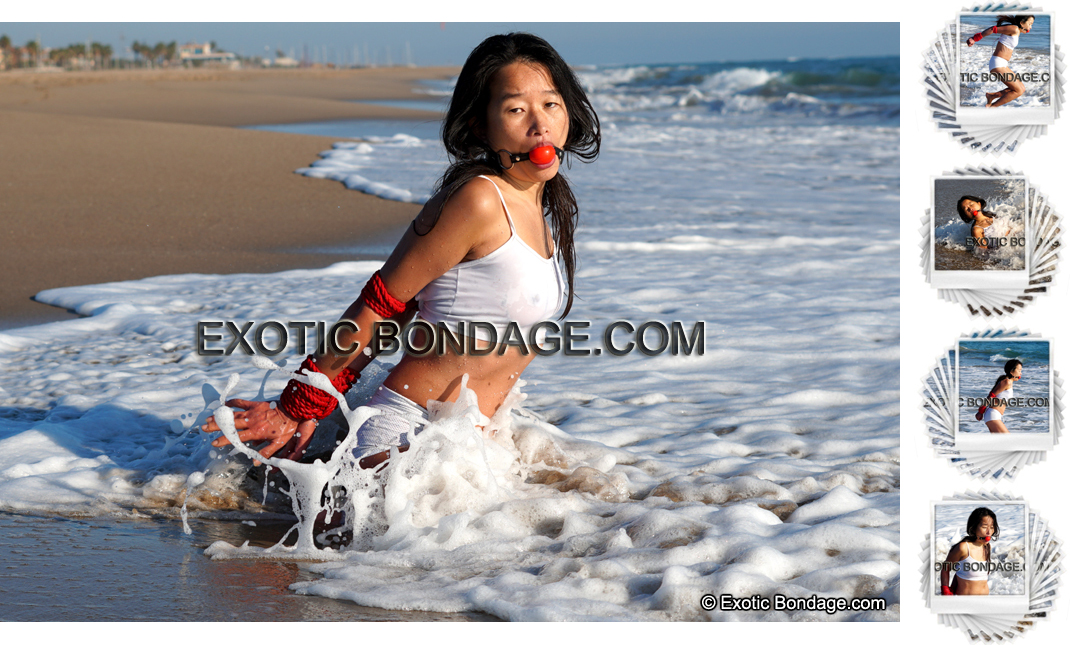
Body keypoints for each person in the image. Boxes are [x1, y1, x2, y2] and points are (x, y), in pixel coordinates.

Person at [201, 33, 600, 468]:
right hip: (411, 439)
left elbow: (406, 311)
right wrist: (297, 405)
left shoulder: (541, 208)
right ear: (479, 126)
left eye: (551, 103)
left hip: (471, 446)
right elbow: (380, 306)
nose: (540, 125)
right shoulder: (480, 200)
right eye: (516, 109)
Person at [966, 14, 1036, 108]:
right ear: (1022, 23)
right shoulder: (1014, 29)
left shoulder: (1017, 30)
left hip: (1003, 64)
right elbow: (993, 29)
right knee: (1018, 90)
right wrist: (975, 38)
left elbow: (1024, 30)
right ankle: (992, 108)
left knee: (1022, 88)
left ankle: (992, 96)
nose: (1031, 27)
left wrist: (1026, 29)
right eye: (1030, 24)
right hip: (997, 64)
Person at [941, 507, 999, 596]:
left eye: (991, 527)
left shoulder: (987, 547)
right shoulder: (963, 548)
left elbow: (963, 570)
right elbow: (945, 568)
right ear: (973, 528)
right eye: (984, 527)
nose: (989, 532)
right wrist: (945, 590)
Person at [974, 359, 1023, 433]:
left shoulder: (1008, 382)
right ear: (1011, 371)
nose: (1020, 373)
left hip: (995, 415)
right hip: (993, 415)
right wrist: (980, 411)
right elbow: (991, 395)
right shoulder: (1007, 382)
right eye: (1019, 370)